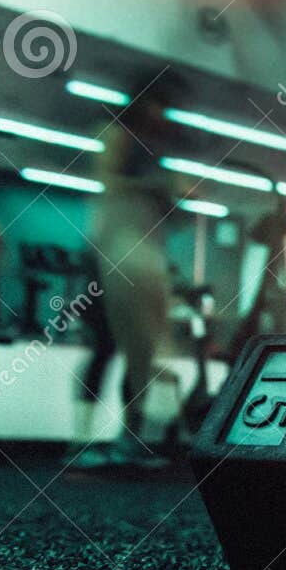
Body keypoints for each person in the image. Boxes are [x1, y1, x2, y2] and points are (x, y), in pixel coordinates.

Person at [74, 72, 186, 471]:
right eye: (159, 106)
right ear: (142, 102)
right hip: (109, 256)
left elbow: (166, 216)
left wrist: (171, 200)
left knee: (141, 352)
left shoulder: (154, 154)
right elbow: (107, 181)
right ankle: (80, 442)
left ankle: (131, 439)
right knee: (105, 346)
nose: (163, 116)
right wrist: (153, 188)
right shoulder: (115, 135)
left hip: (142, 259)